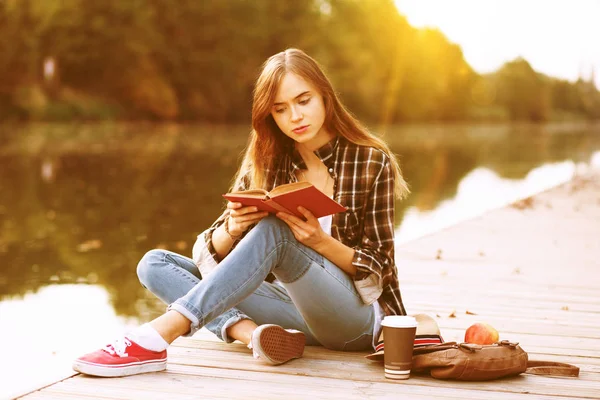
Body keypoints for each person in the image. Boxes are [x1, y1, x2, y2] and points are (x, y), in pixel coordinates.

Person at [72, 48, 409, 377]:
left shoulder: (370, 160)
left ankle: (155, 337)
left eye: (303, 101)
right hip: (291, 315)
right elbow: (210, 256)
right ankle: (254, 336)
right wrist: (232, 228)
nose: (295, 117)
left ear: (325, 96)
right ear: (270, 115)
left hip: (354, 321)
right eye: (280, 109)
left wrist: (319, 242)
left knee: (277, 233)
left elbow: (380, 264)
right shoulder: (268, 161)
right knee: (155, 264)